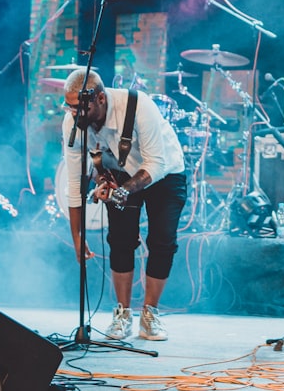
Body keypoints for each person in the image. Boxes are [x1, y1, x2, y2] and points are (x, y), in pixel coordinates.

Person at [61, 68, 188, 341]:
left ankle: (150, 313)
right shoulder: (72, 123)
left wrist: (121, 193)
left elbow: (156, 163)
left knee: (162, 241)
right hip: (121, 172)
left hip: (165, 173)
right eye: (70, 108)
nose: (75, 114)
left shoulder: (139, 105)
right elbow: (75, 182)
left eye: (81, 108)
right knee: (120, 239)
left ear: (101, 99)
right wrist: (77, 236)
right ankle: (123, 313)